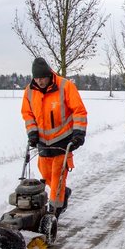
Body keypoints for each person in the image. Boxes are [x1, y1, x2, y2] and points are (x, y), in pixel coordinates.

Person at [21, 57, 87, 217]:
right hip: (43, 142)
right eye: (36, 78)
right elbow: (27, 114)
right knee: (45, 173)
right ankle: (63, 194)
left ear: (49, 74)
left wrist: (79, 133)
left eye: (42, 78)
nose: (40, 81)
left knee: (57, 176)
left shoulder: (65, 86)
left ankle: (54, 212)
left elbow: (79, 111)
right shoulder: (29, 91)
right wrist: (32, 132)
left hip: (63, 140)